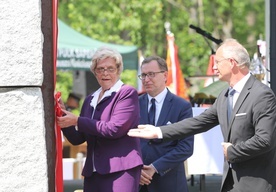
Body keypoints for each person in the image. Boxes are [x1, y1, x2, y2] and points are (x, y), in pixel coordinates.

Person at [128, 39, 276, 192]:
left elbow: (265, 140)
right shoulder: (225, 96)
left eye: (217, 62)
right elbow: (199, 122)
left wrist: (233, 152)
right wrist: (158, 132)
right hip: (231, 184)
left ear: (232, 63)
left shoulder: (261, 94)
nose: (214, 67)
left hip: (256, 183)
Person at [57, 47, 143, 192]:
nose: (105, 73)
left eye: (110, 68)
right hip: (93, 172)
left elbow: (114, 129)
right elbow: (78, 138)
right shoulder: (90, 99)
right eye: (100, 69)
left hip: (121, 170)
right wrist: (62, 116)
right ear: (95, 72)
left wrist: (77, 121)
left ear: (118, 70)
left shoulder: (126, 93)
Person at [137, 56, 194, 192]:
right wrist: (136, 168)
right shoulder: (134, 104)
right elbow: (126, 143)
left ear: (165, 75)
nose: (146, 79)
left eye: (151, 74)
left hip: (169, 183)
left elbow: (186, 147)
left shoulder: (181, 106)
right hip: (138, 182)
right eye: (143, 75)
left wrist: (155, 168)